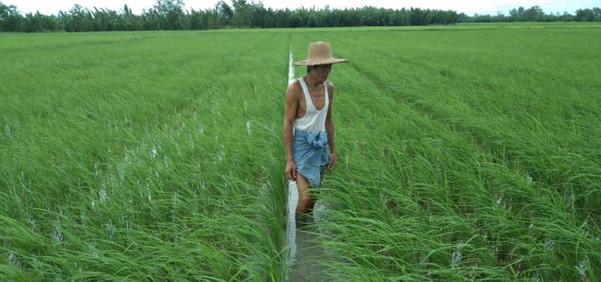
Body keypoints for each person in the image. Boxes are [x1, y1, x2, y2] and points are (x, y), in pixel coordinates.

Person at [283, 41, 348, 215]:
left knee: (315, 197)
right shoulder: (296, 89)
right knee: (305, 199)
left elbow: (328, 119)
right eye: (323, 67)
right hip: (302, 145)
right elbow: (288, 123)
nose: (327, 71)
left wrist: (333, 151)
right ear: (311, 67)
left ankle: (307, 232)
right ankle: (297, 236)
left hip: (320, 145)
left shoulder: (329, 88)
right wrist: (289, 159)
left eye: (329, 67)